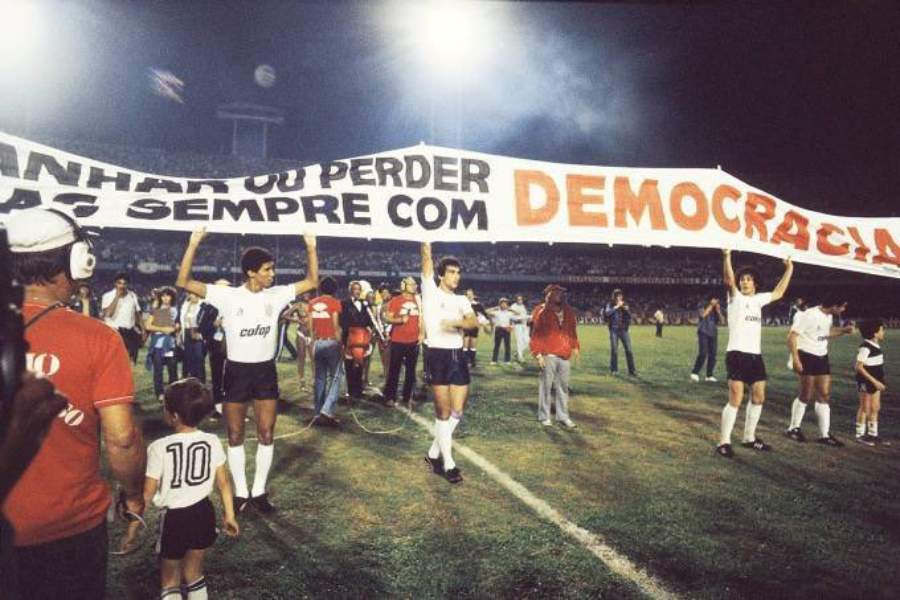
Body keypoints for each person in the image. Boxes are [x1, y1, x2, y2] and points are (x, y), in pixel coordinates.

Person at [2, 208, 145, 598]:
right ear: (77, 260)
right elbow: (122, 439)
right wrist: (134, 496)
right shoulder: (98, 337)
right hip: (67, 531)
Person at [176, 228, 318, 514]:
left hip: (265, 372)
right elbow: (183, 281)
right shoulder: (227, 296)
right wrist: (193, 243)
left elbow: (312, 280)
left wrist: (311, 246)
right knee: (235, 433)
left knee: (266, 433)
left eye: (272, 269)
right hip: (236, 372)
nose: (272, 274)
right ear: (251, 272)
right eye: (267, 270)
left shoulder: (277, 295)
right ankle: (241, 493)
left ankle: (260, 492)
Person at [127, 378, 239, 600]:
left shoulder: (159, 448)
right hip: (204, 513)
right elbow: (224, 483)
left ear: (174, 415)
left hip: (174, 519)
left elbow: (147, 494)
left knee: (170, 578)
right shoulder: (212, 441)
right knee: (194, 572)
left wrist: (132, 529)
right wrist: (230, 515)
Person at [716, 249, 793, 457]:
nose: (744, 282)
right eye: (743, 279)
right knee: (736, 399)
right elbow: (728, 280)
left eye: (749, 280)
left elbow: (779, 292)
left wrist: (790, 269)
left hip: (755, 356)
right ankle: (723, 442)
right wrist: (726, 256)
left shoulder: (759, 299)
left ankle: (749, 438)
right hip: (736, 354)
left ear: (755, 283)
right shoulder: (735, 299)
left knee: (758, 397)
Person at [420, 242, 478, 484]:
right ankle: (448, 463)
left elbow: (473, 324)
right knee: (443, 414)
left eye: (458, 272)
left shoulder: (462, 300)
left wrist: (454, 323)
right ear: (441, 275)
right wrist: (426, 244)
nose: (456, 276)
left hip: (457, 356)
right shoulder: (430, 291)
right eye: (452, 272)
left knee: (458, 411)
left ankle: (434, 452)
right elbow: (425, 258)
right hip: (437, 356)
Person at [785, 295, 854, 446]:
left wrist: (844, 330)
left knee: (824, 393)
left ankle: (824, 435)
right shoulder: (809, 315)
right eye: (842, 306)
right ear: (834, 305)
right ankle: (793, 428)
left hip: (822, 356)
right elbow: (791, 337)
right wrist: (796, 359)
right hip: (806, 355)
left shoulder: (828, 316)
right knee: (806, 394)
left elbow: (826, 333)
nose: (843, 310)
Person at [530, 284, 580, 429]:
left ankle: (563, 416)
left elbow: (572, 331)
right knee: (546, 386)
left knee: (563, 387)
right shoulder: (542, 312)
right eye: (556, 292)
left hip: (564, 354)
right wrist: (538, 354)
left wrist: (575, 346)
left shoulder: (568, 311)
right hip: (548, 354)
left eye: (561, 293)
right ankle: (544, 416)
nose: (559, 295)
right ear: (549, 294)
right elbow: (535, 335)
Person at [308, 277, 343, 425]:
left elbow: (310, 327)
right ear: (334, 289)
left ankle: (317, 411)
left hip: (318, 342)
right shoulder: (335, 303)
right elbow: (335, 326)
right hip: (331, 342)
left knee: (320, 378)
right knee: (336, 377)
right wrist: (340, 342)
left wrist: (313, 342)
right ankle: (327, 410)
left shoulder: (312, 303)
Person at [383, 277, 422, 408]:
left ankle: (407, 397)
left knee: (411, 371)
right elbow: (387, 318)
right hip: (398, 341)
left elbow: (422, 319)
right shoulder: (396, 300)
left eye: (415, 284)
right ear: (404, 285)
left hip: (414, 341)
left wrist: (422, 334)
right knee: (395, 370)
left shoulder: (419, 301)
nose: (415, 286)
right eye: (412, 284)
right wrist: (400, 320)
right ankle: (390, 397)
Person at [340, 280, 376, 400]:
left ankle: (358, 390)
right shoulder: (344, 303)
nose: (357, 291)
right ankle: (350, 390)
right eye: (355, 289)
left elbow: (369, 320)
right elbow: (342, 321)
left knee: (360, 363)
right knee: (349, 364)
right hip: (349, 337)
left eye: (359, 289)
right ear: (350, 290)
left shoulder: (364, 304)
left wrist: (370, 328)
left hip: (362, 337)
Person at [854, 319, 887, 446]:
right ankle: (860, 435)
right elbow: (858, 367)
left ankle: (873, 434)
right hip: (865, 382)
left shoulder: (875, 345)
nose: (883, 332)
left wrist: (879, 381)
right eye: (881, 329)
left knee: (875, 407)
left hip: (875, 382)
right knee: (865, 408)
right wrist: (874, 381)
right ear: (874, 333)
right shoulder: (865, 347)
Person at [101, 272, 145, 364]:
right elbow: (108, 314)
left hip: (129, 332)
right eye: (119, 283)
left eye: (124, 283)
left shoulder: (132, 295)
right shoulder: (107, 296)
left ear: (128, 284)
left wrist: (143, 330)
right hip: (114, 331)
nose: (122, 286)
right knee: (113, 361)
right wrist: (117, 297)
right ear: (115, 284)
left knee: (130, 362)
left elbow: (138, 314)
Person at [145, 287, 180, 402]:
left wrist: (174, 329)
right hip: (157, 346)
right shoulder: (155, 309)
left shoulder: (176, 310)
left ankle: (173, 393)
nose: (165, 298)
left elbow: (176, 327)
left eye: (168, 296)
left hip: (170, 345)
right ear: (160, 297)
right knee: (158, 370)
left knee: (172, 369)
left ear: (172, 297)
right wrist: (162, 328)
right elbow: (148, 326)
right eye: (163, 296)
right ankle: (159, 393)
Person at [691, 295, 724, 382]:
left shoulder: (716, 308)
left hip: (713, 333)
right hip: (703, 331)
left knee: (713, 355)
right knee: (703, 353)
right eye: (715, 300)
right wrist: (711, 306)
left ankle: (709, 375)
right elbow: (702, 315)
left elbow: (722, 321)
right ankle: (695, 372)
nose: (716, 302)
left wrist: (718, 311)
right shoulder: (702, 304)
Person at [604, 289, 636, 376]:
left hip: (623, 330)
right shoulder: (610, 304)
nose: (620, 297)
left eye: (621, 296)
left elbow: (630, 316)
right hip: (614, 330)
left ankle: (632, 370)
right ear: (614, 297)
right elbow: (607, 313)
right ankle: (614, 370)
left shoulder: (625, 304)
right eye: (618, 296)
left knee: (629, 350)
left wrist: (626, 309)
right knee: (614, 350)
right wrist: (617, 307)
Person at [282, 294, 311, 390]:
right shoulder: (298, 305)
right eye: (305, 293)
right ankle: (302, 382)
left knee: (314, 358)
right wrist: (297, 320)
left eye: (308, 293)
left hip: (312, 334)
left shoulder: (313, 304)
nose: (306, 295)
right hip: (301, 334)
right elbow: (285, 315)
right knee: (301, 358)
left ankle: (315, 381)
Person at [179, 292, 207, 381]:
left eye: (195, 294)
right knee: (188, 357)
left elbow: (207, 320)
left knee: (199, 357)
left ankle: (201, 381)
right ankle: (190, 381)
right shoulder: (185, 305)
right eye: (190, 294)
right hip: (186, 332)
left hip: (198, 332)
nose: (193, 296)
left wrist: (201, 333)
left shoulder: (204, 304)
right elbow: (181, 321)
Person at [462, 289, 489, 367]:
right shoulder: (463, 305)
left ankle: (472, 362)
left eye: (471, 294)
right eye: (468, 294)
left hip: (474, 327)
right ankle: (465, 362)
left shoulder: (478, 305)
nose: (469, 296)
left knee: (473, 344)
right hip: (466, 326)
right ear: (465, 296)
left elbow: (484, 315)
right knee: (465, 344)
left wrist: (483, 321)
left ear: (473, 295)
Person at [487, 298, 514, 364]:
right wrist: (495, 307)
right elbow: (486, 311)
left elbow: (519, 313)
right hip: (499, 329)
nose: (504, 305)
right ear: (500, 304)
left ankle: (507, 360)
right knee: (497, 345)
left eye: (505, 303)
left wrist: (510, 308)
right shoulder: (496, 312)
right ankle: (494, 360)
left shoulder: (509, 313)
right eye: (502, 303)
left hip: (506, 329)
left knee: (507, 345)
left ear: (507, 305)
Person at [510, 294, 531, 362]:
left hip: (524, 325)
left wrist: (528, 319)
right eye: (518, 299)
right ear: (516, 300)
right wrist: (518, 319)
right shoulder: (513, 307)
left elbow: (524, 315)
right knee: (519, 341)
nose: (520, 301)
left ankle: (517, 353)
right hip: (518, 325)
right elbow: (511, 317)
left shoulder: (523, 306)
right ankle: (520, 357)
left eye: (521, 299)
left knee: (528, 341)